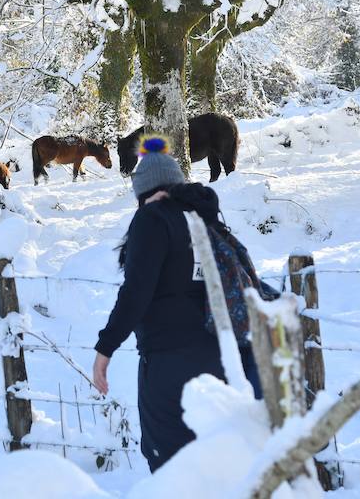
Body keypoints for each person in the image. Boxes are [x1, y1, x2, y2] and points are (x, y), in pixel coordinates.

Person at [92, 137, 260, 472]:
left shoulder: (153, 220)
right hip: (223, 358)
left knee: (171, 464)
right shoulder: (206, 219)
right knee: (217, 462)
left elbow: (136, 291)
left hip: (170, 361)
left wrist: (105, 348)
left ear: (144, 190)